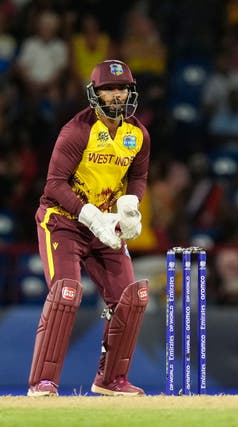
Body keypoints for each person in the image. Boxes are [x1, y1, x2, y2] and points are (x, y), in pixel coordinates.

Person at [27, 59, 151, 397]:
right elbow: (53, 186)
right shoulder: (78, 130)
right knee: (67, 292)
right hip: (63, 222)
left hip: (106, 225)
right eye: (108, 89)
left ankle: (111, 380)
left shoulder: (137, 134)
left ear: (131, 91)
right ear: (94, 94)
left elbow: (137, 177)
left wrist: (130, 207)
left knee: (130, 298)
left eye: (121, 88)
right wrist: (91, 216)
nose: (116, 95)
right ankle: (43, 383)